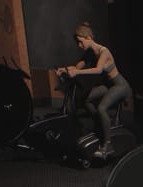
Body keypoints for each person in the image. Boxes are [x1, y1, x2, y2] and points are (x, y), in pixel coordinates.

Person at [55, 22, 130, 160]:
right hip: (109, 85)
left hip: (120, 85)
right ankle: (100, 125)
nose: (79, 45)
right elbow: (78, 66)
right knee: (86, 99)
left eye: (80, 42)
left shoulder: (103, 51)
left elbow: (98, 70)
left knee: (102, 108)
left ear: (88, 38)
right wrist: (65, 69)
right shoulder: (90, 52)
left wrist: (77, 72)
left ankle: (107, 146)